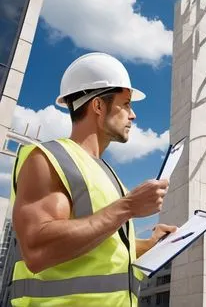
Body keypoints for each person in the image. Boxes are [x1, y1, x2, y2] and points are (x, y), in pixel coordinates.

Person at [8, 52, 177, 307]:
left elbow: (103, 251)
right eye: (126, 104)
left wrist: (152, 244)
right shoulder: (48, 158)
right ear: (98, 106)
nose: (133, 116)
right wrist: (128, 207)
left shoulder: (110, 175)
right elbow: (37, 249)